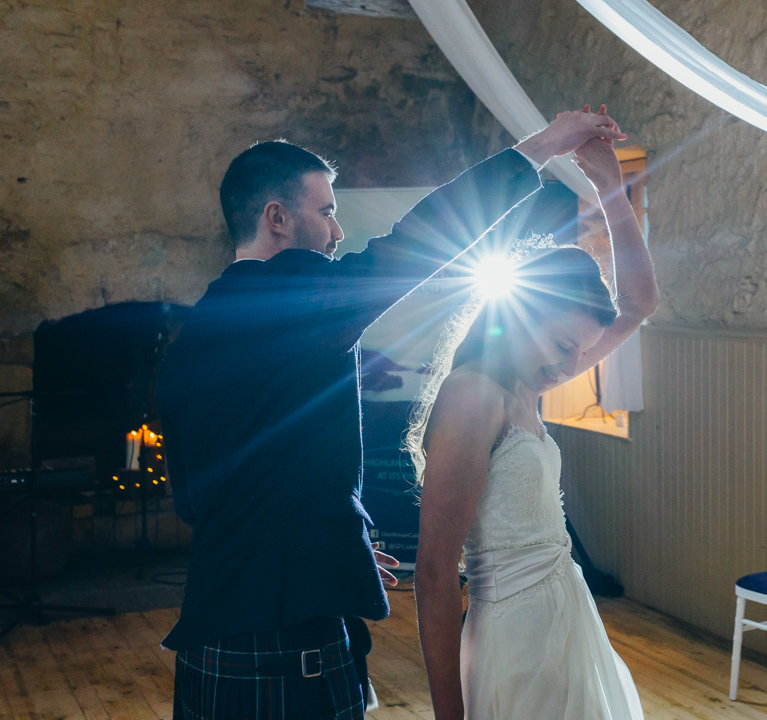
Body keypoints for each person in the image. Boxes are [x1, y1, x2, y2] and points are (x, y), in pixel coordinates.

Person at [156, 108, 625, 719]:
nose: (336, 232)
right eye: (324, 211)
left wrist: (331, 539)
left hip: (214, 637)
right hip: (284, 648)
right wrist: (541, 147)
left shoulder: (193, 334)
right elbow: (415, 245)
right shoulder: (295, 301)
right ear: (277, 218)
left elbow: (198, 503)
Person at [409, 109, 659, 720]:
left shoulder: (525, 383)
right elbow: (436, 572)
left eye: (580, 350)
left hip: (568, 623)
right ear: (521, 317)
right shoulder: (473, 395)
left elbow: (640, 303)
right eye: (562, 344)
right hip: (517, 641)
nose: (571, 363)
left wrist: (611, 190)